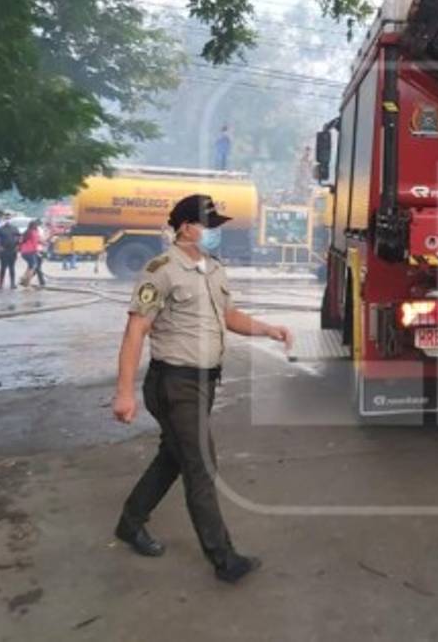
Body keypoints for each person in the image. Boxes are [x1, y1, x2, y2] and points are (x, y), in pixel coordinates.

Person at [112, 194, 292, 584]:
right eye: (205, 225)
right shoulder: (160, 270)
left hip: (204, 383)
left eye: (214, 226)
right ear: (184, 227)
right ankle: (224, 560)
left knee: (174, 457)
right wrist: (124, 392)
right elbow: (136, 330)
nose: (212, 233)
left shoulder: (212, 269)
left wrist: (268, 329)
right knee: (200, 466)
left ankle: (130, 522)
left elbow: (228, 316)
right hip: (174, 383)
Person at [0, 215, 20, 289]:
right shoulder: (0, 229)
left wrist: (17, 246)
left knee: (12, 267)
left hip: (12, 250)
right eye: (6, 219)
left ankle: (12, 283)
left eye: (8, 219)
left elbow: (19, 237)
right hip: (4, 250)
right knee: (3, 267)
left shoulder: (15, 228)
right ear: (3, 220)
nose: (7, 220)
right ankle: (0, 284)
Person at [19, 219, 46, 288]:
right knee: (33, 267)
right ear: (35, 226)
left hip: (24, 252)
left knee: (30, 266)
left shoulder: (26, 232)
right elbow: (35, 243)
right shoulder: (34, 233)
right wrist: (37, 251)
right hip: (31, 251)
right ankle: (27, 283)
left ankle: (23, 279)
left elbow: (21, 241)